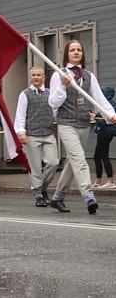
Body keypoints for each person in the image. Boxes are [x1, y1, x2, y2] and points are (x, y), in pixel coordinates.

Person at [49, 40, 116, 214]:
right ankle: (88, 195)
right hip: (66, 123)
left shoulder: (88, 76)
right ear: (67, 54)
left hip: (84, 123)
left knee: (73, 161)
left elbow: (99, 98)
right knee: (79, 159)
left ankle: (57, 197)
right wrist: (63, 85)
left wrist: (110, 113)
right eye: (72, 50)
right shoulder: (59, 75)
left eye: (79, 49)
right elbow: (53, 102)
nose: (76, 52)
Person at [14, 66, 57, 207]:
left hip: (49, 133)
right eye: (34, 75)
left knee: (53, 162)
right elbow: (20, 115)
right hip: (32, 134)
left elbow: (56, 111)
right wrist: (21, 132)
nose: (36, 77)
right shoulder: (25, 94)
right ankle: (38, 193)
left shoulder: (50, 93)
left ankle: (42, 186)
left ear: (44, 77)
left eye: (39, 75)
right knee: (35, 166)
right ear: (30, 77)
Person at [93, 86, 116, 190]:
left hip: (106, 132)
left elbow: (106, 122)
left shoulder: (107, 105)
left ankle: (110, 181)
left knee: (104, 156)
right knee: (96, 156)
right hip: (104, 132)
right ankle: (98, 181)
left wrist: (95, 117)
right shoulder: (109, 104)